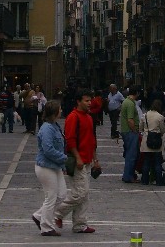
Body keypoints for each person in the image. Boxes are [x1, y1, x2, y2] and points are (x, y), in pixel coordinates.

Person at [54, 89, 99, 234]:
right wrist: (78, 157)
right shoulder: (73, 117)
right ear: (78, 102)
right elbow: (70, 139)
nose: (89, 103)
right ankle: (57, 213)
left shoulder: (89, 117)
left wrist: (95, 159)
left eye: (90, 100)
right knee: (80, 192)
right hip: (77, 160)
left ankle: (80, 224)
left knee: (84, 194)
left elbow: (92, 140)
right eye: (86, 101)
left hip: (87, 160)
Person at [32, 100, 67, 237]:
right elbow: (48, 150)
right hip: (45, 166)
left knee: (62, 194)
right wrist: (64, 158)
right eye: (60, 109)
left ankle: (39, 215)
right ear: (55, 112)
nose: (61, 111)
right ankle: (46, 227)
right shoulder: (47, 128)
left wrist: (62, 164)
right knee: (51, 196)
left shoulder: (55, 126)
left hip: (56, 166)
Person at [140, 99, 165, 186]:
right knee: (157, 162)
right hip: (156, 139)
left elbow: (141, 128)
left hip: (147, 139)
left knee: (146, 161)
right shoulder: (160, 117)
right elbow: (163, 130)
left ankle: (145, 180)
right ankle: (159, 181)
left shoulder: (145, 115)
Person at [120, 86, 140, 183]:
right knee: (131, 155)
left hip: (126, 130)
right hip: (130, 131)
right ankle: (128, 176)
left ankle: (128, 175)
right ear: (136, 93)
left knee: (129, 153)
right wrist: (135, 129)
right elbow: (130, 119)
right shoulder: (130, 104)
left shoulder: (126, 101)